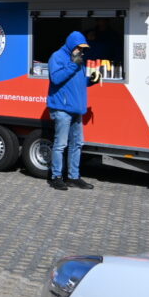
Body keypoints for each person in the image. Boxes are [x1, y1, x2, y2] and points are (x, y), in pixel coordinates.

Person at [46, 31, 101, 190]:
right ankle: (56, 177)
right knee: (61, 144)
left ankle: (73, 177)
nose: (82, 51)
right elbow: (56, 78)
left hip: (76, 108)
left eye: (83, 48)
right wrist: (73, 64)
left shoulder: (78, 60)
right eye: (79, 48)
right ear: (72, 45)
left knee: (77, 143)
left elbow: (78, 81)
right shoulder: (57, 56)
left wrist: (91, 80)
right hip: (62, 108)